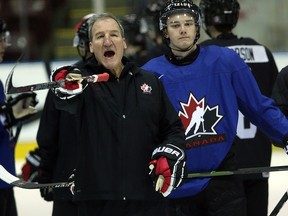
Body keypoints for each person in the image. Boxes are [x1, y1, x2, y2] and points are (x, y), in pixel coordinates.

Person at [141, 0, 288, 215]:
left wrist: (286, 134)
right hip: (174, 185)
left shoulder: (226, 61)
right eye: (175, 25)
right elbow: (138, 127)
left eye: (188, 23)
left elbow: (258, 106)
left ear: (197, 27)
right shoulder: (149, 74)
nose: (182, 29)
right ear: (165, 31)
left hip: (223, 181)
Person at [44, 13, 186, 216]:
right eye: (100, 36)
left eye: (114, 34)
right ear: (91, 47)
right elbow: (64, 96)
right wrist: (63, 82)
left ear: (124, 42)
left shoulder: (150, 82)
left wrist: (168, 156)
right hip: (97, 203)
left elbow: (173, 129)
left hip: (147, 200)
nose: (108, 41)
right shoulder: (83, 84)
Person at [198, 1, 279, 215]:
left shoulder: (202, 55)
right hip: (258, 160)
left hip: (220, 164)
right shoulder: (262, 51)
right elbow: (273, 107)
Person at [23, 14, 96, 216]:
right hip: (115, 187)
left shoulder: (64, 80)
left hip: (68, 184)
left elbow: (48, 136)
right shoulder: (126, 78)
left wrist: (46, 173)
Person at [0, 19, 38, 216]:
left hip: (5, 182)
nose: (3, 45)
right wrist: (8, 116)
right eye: (0, 39)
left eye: (4, 39)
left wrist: (12, 114)